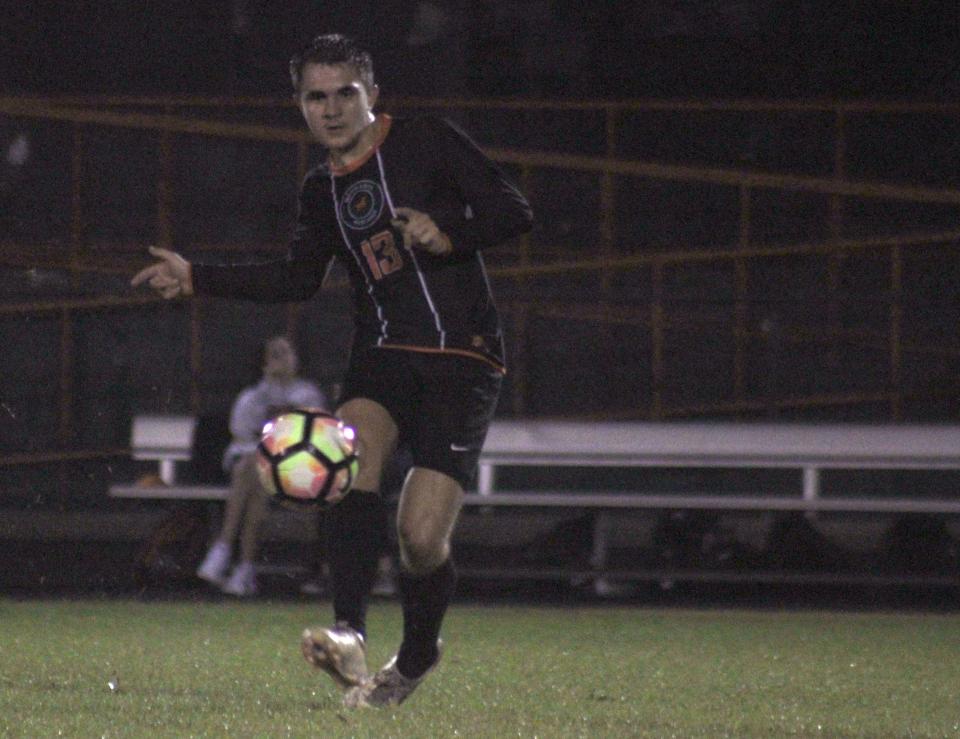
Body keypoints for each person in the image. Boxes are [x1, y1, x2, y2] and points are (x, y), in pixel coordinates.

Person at [131, 33, 533, 708]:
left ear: (371, 93)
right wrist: (198, 276)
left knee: (420, 538)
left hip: (463, 357)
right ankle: (349, 630)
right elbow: (294, 278)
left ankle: (419, 650)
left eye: (345, 92)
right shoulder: (321, 189)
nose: (331, 108)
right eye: (315, 96)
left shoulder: (428, 140)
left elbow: (513, 209)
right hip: (381, 355)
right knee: (349, 450)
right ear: (300, 105)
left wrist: (448, 230)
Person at [195, 335, 327, 596]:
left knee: (254, 468)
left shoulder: (308, 394)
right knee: (255, 474)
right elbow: (242, 434)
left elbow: (314, 432)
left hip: (295, 468)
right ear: (264, 363)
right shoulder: (252, 396)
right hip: (257, 468)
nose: (282, 359)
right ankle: (245, 568)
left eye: (286, 353)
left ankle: (224, 546)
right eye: (275, 354)